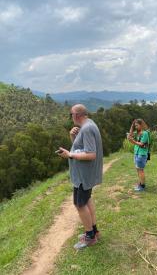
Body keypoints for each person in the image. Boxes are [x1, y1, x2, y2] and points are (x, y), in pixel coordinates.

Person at [58, 104, 103, 250]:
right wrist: (73, 137)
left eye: (71, 114)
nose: (71, 117)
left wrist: (69, 154)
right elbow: (82, 149)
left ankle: (90, 237)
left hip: (84, 176)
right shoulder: (88, 126)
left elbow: (91, 154)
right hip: (83, 175)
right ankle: (94, 231)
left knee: (80, 204)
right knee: (87, 201)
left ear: (76, 115)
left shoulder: (88, 128)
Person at [127, 119, 150, 192]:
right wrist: (132, 125)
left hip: (141, 154)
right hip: (136, 153)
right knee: (138, 170)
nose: (136, 127)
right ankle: (140, 184)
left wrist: (132, 141)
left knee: (141, 170)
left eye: (137, 125)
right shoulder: (138, 132)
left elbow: (142, 144)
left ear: (141, 125)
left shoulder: (145, 133)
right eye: (135, 126)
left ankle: (142, 186)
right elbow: (130, 134)